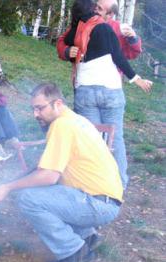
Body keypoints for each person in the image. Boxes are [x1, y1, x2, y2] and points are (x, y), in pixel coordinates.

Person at [0, 83, 123, 262]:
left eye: (40, 108)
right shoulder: (77, 120)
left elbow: (49, 176)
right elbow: (49, 168)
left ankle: (73, 253)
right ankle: (88, 237)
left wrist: (9, 187)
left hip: (98, 203)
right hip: (105, 197)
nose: (35, 114)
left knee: (28, 198)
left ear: (58, 103)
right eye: (33, 109)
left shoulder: (61, 125)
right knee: (38, 192)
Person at [61, 0, 152, 188]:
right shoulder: (103, 28)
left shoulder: (83, 27)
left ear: (110, 14)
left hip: (85, 90)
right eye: (96, 6)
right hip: (109, 90)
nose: (96, 8)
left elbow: (132, 51)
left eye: (100, 7)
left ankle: (95, 185)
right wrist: (136, 79)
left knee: (91, 138)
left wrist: (133, 37)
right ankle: (116, 185)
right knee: (113, 137)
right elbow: (118, 57)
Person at [57, 0, 142, 63]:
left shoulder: (119, 29)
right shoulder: (84, 21)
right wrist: (66, 51)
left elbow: (132, 54)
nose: (95, 10)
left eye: (100, 9)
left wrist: (133, 39)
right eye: (95, 6)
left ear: (110, 14)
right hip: (82, 80)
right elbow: (61, 40)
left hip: (109, 83)